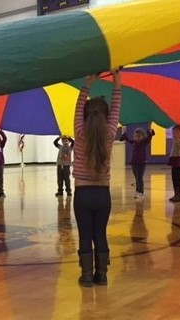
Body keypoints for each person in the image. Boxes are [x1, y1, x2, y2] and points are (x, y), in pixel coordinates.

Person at [72, 69, 121, 287]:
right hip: (103, 194)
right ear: (106, 115)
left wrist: (87, 84)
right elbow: (117, 109)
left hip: (83, 194)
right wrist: (117, 82)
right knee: (100, 233)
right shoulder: (110, 134)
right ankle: (102, 275)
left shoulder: (79, 133)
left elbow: (77, 108)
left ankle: (87, 277)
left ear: (85, 115)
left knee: (85, 234)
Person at [119, 127, 155, 199]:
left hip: (141, 163)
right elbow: (127, 139)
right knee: (137, 178)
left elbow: (149, 137)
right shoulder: (134, 142)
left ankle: (141, 192)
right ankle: (137, 191)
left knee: (139, 178)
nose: (136, 138)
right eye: (135, 136)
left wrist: (150, 132)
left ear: (142, 136)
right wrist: (124, 133)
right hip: (134, 163)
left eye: (138, 136)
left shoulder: (144, 142)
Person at [167, 125, 180, 203]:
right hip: (174, 159)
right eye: (173, 133)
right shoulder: (176, 139)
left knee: (177, 178)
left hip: (179, 160)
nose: (175, 134)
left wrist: (179, 137)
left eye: (177, 132)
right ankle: (176, 194)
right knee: (174, 178)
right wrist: (176, 136)